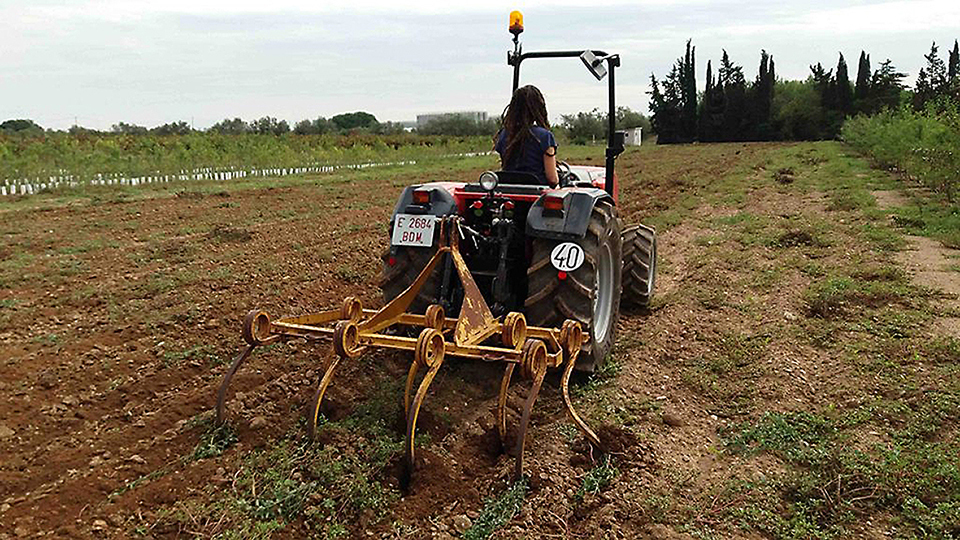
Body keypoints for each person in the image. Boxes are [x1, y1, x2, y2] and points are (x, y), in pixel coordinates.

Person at [494, 85, 560, 187]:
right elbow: (552, 179)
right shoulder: (544, 137)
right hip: (538, 194)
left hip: (510, 191)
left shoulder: (504, 134)